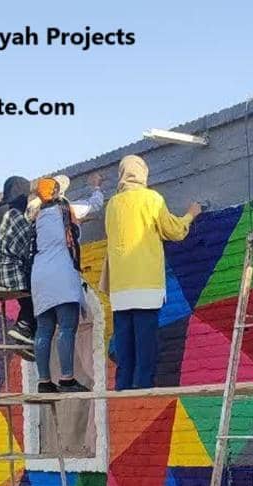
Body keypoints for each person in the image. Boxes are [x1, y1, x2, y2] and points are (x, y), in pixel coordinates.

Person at [103, 155, 201, 390]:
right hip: (145, 283)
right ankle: (142, 384)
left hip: (119, 286)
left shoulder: (112, 205)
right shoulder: (151, 199)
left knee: (124, 340)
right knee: (145, 339)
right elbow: (173, 231)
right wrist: (191, 214)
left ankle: (123, 385)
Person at [30, 173, 104, 393]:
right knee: (66, 326)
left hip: (39, 275)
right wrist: (96, 186)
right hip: (62, 272)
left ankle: (44, 381)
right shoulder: (67, 209)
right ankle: (67, 378)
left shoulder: (35, 217)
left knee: (43, 329)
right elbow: (95, 205)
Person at [0, 176, 37, 349]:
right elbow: (25, 248)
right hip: (5, 274)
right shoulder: (13, 214)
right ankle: (24, 327)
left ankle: (25, 332)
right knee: (38, 288)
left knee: (28, 286)